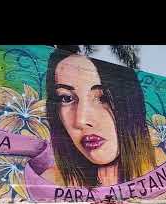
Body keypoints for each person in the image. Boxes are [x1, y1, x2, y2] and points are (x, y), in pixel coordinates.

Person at [43, 49, 156, 187]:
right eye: (66, 98)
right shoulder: (46, 182)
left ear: (131, 103)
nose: (81, 121)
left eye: (103, 98)